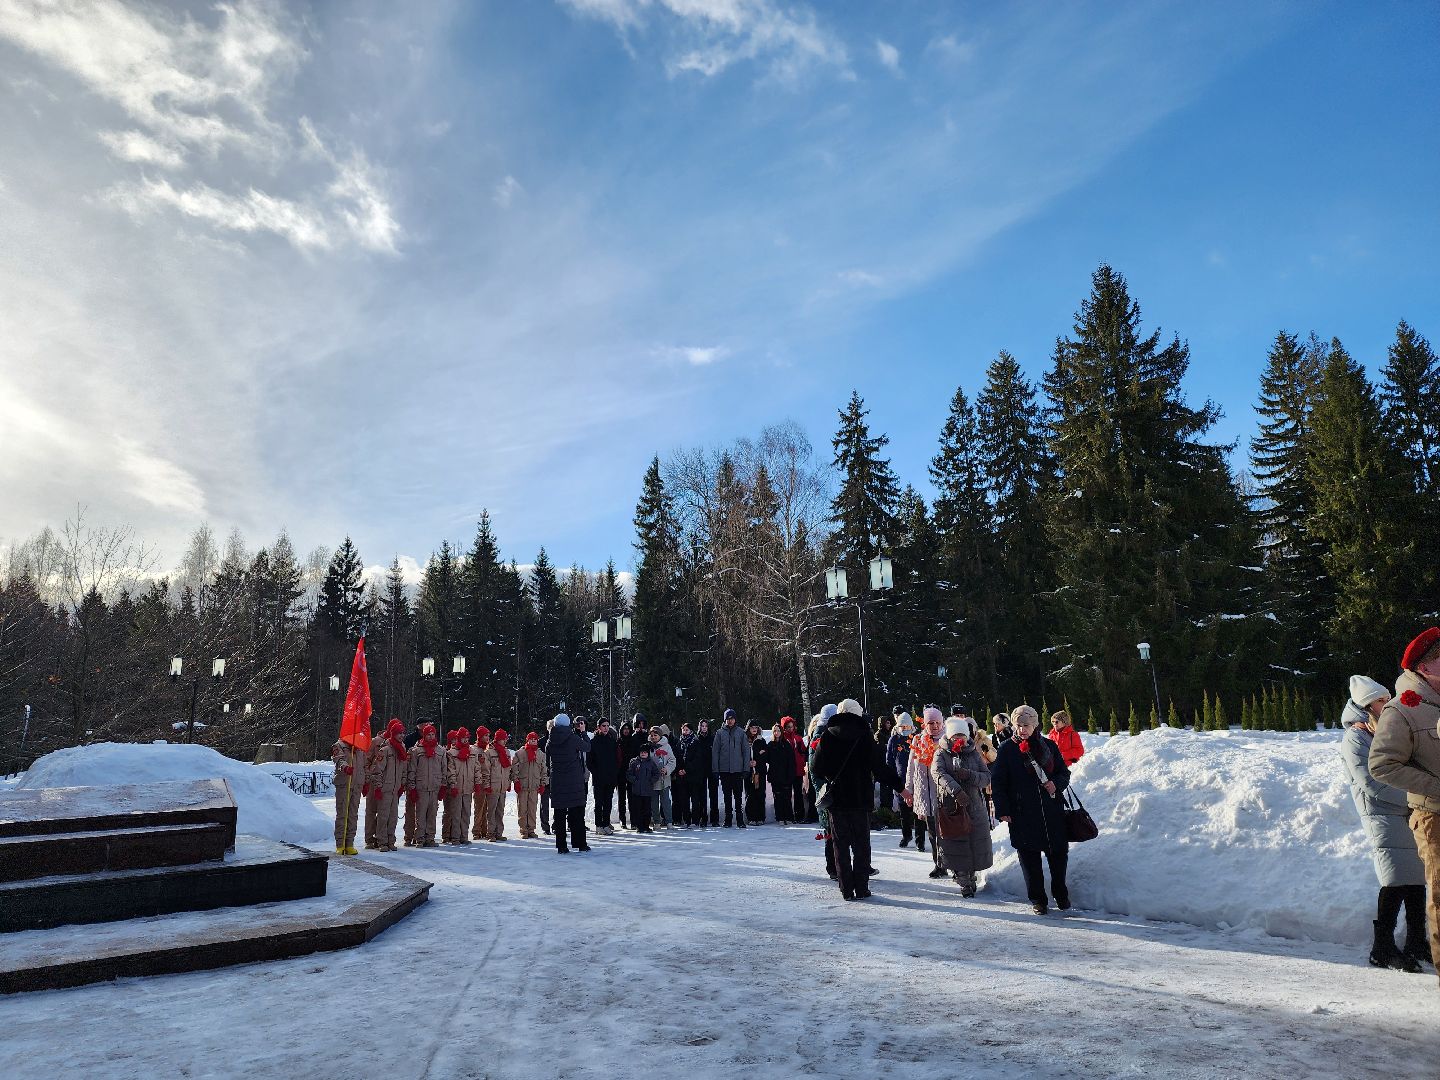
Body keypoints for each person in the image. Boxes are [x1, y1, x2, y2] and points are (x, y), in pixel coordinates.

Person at [1341, 674, 1426, 972]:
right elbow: (1371, 782)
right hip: (1379, 813)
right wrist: (1414, 797)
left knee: (1416, 875)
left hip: (1403, 809)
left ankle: (1417, 940)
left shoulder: (1382, 730)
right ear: (1366, 705)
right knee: (1394, 878)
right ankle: (1382, 947)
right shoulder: (1355, 737)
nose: (1387, 703)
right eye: (1380, 699)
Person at [1370, 626, 1440, 980]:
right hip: (1433, 817)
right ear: (1425, 667)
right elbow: (1381, 765)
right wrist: (1436, 787)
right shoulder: (1402, 710)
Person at [991, 705, 1071, 914]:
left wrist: (1056, 783)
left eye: (1026, 725)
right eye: (1018, 725)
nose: (1022, 729)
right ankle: (1038, 900)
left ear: (1035, 725)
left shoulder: (1049, 746)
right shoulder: (1007, 748)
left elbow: (1064, 773)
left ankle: (1060, 893)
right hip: (1022, 812)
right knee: (1029, 859)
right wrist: (1003, 809)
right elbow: (998, 782)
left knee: (1058, 855)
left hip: (1051, 811)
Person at [812, 698, 877, 901]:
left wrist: (832, 776)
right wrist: (900, 788)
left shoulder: (828, 736)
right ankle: (862, 887)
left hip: (838, 802)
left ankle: (846, 889)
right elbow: (878, 765)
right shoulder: (865, 734)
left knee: (840, 846)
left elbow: (816, 768)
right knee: (861, 846)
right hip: (860, 800)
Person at [931, 716, 994, 896]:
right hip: (952, 808)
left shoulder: (973, 753)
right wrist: (957, 791)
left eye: (963, 735)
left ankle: (971, 876)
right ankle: (963, 880)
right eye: (956, 736)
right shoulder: (941, 754)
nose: (960, 739)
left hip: (974, 806)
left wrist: (970, 775)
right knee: (956, 844)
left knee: (973, 844)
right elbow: (938, 774)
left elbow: (986, 777)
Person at [903, 707, 947, 879]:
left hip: (943, 794)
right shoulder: (918, 740)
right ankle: (939, 864)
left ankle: (953, 864)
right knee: (933, 834)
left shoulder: (946, 739)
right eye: (931, 723)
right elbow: (911, 768)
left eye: (937, 722)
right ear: (925, 724)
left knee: (947, 833)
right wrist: (909, 790)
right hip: (925, 793)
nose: (935, 726)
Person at [545, 713, 590, 854]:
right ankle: (580, 843)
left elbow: (548, 760)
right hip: (574, 780)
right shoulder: (573, 738)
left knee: (559, 814)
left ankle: (561, 846)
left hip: (558, 780)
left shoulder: (550, 740)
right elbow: (587, 747)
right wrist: (583, 733)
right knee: (576, 813)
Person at [365, 718, 407, 851]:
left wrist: (402, 784)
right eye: (398, 733)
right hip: (383, 787)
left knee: (393, 816)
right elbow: (377, 769)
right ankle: (381, 840)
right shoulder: (385, 749)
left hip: (394, 788)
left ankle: (390, 840)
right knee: (381, 815)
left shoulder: (402, 748)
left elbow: (404, 769)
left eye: (402, 733)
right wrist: (376, 786)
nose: (401, 735)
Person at [886, 712, 924, 850]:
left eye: (907, 726)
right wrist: (892, 778)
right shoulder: (893, 740)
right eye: (902, 726)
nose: (904, 728)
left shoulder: (917, 738)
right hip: (900, 781)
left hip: (916, 780)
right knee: (904, 813)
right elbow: (889, 761)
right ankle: (906, 835)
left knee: (918, 812)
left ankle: (920, 840)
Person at [405, 722, 446, 848]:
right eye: (428, 734)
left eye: (433, 734)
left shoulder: (441, 751)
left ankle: (430, 838)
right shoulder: (417, 751)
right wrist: (412, 787)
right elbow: (412, 770)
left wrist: (443, 786)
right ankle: (420, 838)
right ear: (424, 735)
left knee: (432, 814)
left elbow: (444, 769)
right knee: (421, 814)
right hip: (421, 787)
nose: (431, 737)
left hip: (434, 787)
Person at [712, 709, 750, 827]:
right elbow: (715, 752)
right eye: (728, 719)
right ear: (725, 720)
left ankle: (740, 819)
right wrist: (716, 770)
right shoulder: (719, 733)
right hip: (724, 770)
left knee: (738, 796)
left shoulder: (741, 733)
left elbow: (745, 751)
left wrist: (746, 768)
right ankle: (728, 819)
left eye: (732, 718)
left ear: (735, 719)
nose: (730, 721)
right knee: (727, 796)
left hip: (738, 770)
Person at [331, 733, 367, 856]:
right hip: (344, 784)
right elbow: (338, 759)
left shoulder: (360, 747)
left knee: (353, 815)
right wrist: (345, 767)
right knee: (342, 814)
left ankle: (350, 843)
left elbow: (364, 766)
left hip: (357, 784)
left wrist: (365, 781)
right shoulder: (339, 745)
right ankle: (340, 844)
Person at [441, 727, 478, 844]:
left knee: (466, 813)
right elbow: (450, 771)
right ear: (458, 738)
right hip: (457, 787)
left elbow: (476, 769)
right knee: (456, 813)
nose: (465, 740)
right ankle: (455, 837)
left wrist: (477, 783)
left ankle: (464, 836)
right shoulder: (451, 753)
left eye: (467, 738)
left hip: (468, 787)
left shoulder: (472, 752)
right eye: (463, 738)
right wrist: (453, 785)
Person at [511, 730, 547, 839]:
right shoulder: (520, 753)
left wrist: (543, 783)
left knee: (532, 809)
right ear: (527, 740)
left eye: (535, 739)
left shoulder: (541, 754)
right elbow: (514, 768)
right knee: (522, 809)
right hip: (522, 786)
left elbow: (544, 770)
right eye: (531, 739)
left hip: (534, 786)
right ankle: (523, 830)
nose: (533, 741)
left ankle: (531, 829)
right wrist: (516, 781)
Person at [589, 717, 621, 835]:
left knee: (608, 802)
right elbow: (590, 762)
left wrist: (614, 772)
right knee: (599, 803)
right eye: (603, 726)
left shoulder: (612, 741)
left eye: (607, 726)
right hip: (599, 778)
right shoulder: (593, 742)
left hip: (610, 777)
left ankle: (606, 823)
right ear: (598, 727)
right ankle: (598, 825)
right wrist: (596, 773)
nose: (606, 728)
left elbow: (616, 759)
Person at [765, 722, 797, 824]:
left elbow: (791, 761)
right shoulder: (770, 745)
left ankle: (788, 817)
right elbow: (767, 759)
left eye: (778, 730)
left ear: (781, 732)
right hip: (775, 776)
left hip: (786, 775)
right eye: (775, 731)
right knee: (777, 797)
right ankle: (779, 817)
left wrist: (791, 774)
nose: (776, 733)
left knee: (787, 797)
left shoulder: (786, 745)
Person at [483, 729, 512, 841]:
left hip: (502, 786)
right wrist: (487, 785)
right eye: (502, 739)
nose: (504, 741)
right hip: (493, 786)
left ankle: (499, 832)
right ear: (497, 739)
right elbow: (486, 770)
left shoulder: (507, 752)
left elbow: (508, 770)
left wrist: (508, 783)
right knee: (491, 811)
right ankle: (490, 833)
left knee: (500, 811)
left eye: (505, 739)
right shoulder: (489, 753)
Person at [627, 743, 659, 833]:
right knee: (638, 809)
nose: (643, 754)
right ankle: (639, 826)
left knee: (647, 810)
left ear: (648, 753)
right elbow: (629, 774)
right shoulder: (634, 762)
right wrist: (635, 781)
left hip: (647, 791)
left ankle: (646, 826)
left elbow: (656, 774)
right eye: (641, 752)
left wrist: (651, 781)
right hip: (637, 791)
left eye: (645, 752)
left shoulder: (651, 763)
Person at [649, 726, 677, 829]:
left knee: (665, 802)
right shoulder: (648, 746)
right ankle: (657, 821)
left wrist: (666, 769)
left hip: (664, 780)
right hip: (653, 780)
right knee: (654, 803)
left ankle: (669, 821)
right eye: (651, 735)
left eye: (655, 735)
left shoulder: (667, 746)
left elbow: (672, 761)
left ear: (660, 736)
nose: (653, 737)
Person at [470, 727, 494, 841]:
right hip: (479, 783)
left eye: (488, 736)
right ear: (479, 736)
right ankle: (476, 831)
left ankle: (485, 831)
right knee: (479, 809)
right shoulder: (474, 749)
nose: (487, 738)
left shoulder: (489, 749)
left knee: (487, 808)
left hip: (489, 782)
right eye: (485, 735)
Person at [782, 716, 806, 825]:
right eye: (788, 727)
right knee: (787, 794)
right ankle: (788, 815)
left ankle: (799, 815)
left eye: (792, 726)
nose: (790, 729)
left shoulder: (798, 738)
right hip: (787, 770)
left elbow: (803, 752)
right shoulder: (782, 739)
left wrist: (802, 761)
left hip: (798, 770)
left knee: (798, 794)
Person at [696, 719, 720, 826]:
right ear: (700, 727)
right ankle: (703, 818)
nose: (704, 728)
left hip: (712, 769)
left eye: (706, 726)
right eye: (702, 726)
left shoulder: (713, 738)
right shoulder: (696, 739)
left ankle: (715, 819)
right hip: (701, 770)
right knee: (702, 796)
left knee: (713, 794)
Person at [746, 722, 768, 825]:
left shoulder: (761, 740)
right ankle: (751, 817)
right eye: (752, 727)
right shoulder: (745, 740)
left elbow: (766, 756)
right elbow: (742, 754)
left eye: (756, 727)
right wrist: (748, 763)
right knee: (750, 795)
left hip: (760, 772)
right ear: (748, 728)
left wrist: (757, 761)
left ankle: (760, 817)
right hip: (749, 772)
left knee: (760, 794)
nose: (754, 729)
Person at [615, 720, 634, 829]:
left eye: (628, 729)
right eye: (624, 729)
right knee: (621, 798)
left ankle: (633, 820)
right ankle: (623, 820)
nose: (626, 731)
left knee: (632, 798)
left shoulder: (633, 741)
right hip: (620, 773)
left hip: (631, 772)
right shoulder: (618, 742)